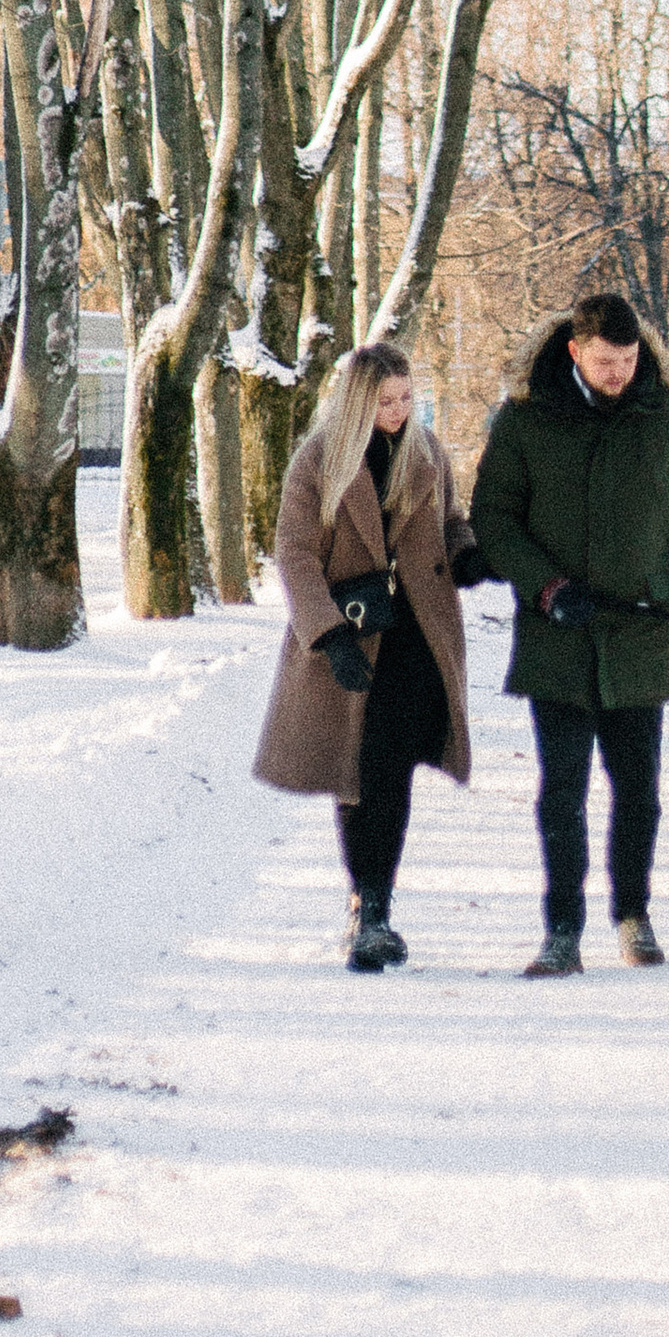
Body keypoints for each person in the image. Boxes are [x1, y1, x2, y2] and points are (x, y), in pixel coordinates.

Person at [471, 292, 669, 978]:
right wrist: (546, 588)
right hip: (558, 635)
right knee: (562, 791)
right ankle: (562, 931)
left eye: (630, 359)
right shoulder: (527, 417)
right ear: (577, 352)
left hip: (640, 635)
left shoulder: (665, 417)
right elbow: (493, 519)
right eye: (606, 362)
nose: (619, 373)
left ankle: (633, 916)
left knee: (638, 791)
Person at [251, 341, 483, 972]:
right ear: (358, 401)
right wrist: (326, 636)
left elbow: (452, 521)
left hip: (416, 637)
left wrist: (467, 556)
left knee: (393, 771)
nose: (399, 411)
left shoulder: (427, 452)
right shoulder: (318, 460)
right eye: (385, 401)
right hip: (350, 637)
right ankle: (368, 907)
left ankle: (378, 903)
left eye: (407, 398)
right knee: (359, 771)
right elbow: (295, 555)